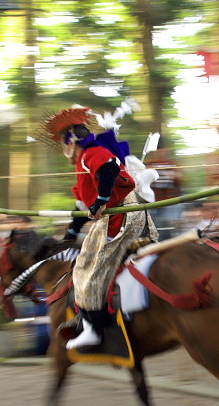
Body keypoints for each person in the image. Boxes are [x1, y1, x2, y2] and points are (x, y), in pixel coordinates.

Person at [43, 105, 158, 349]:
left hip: (119, 217)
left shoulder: (91, 153)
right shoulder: (82, 165)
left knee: (86, 266)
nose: (64, 149)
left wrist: (102, 200)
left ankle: (92, 328)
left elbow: (110, 169)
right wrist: (71, 233)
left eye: (64, 142)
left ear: (71, 140)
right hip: (121, 215)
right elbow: (82, 208)